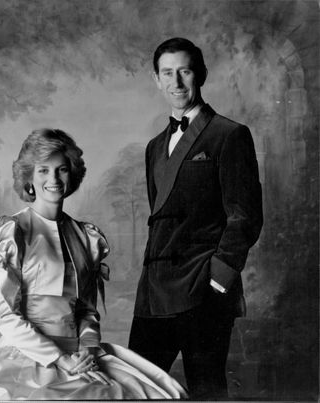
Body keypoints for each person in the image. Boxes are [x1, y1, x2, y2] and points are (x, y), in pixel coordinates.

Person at [0, 129, 187, 401]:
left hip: (81, 354)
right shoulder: (11, 234)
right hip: (30, 355)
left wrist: (88, 349)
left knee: (155, 393)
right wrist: (60, 359)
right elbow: (5, 315)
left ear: (72, 174)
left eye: (61, 169)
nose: (53, 179)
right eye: (43, 171)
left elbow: (86, 310)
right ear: (30, 180)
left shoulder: (85, 237)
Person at [128, 37, 263, 400]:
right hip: (155, 291)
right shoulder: (155, 146)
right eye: (167, 73)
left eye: (184, 71)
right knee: (138, 389)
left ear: (200, 74)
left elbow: (245, 216)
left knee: (207, 392)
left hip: (202, 289)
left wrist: (217, 281)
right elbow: (162, 219)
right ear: (156, 79)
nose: (176, 82)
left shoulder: (229, 135)